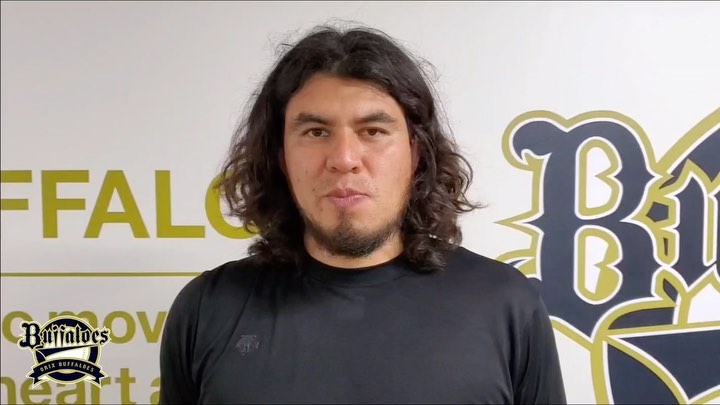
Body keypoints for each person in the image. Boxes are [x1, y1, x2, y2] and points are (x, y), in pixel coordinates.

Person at [159, 24, 566, 404]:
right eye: (316, 132)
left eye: (373, 131)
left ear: (416, 154)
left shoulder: (506, 305)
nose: (344, 158)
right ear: (281, 157)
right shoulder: (207, 309)